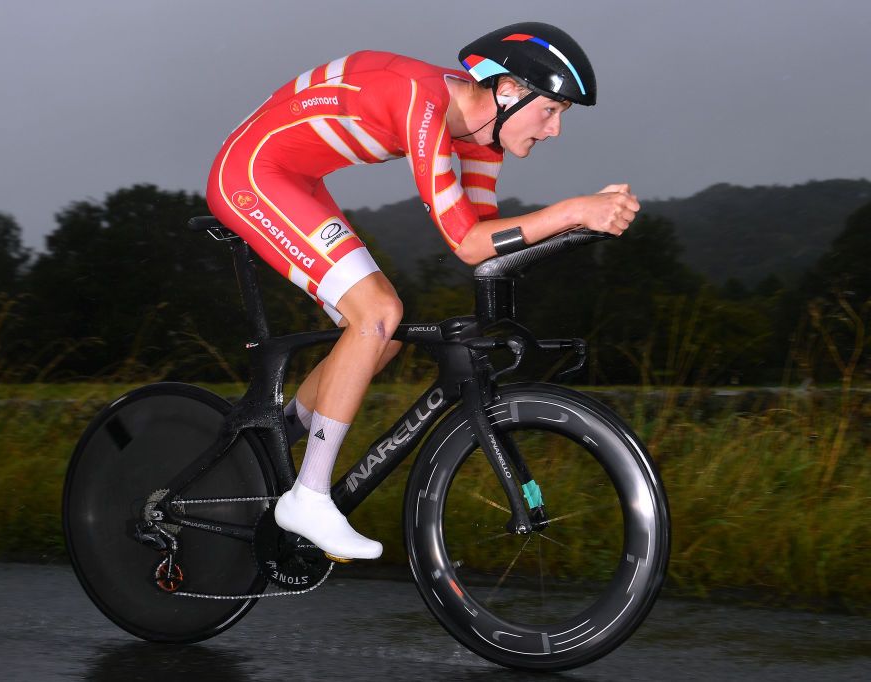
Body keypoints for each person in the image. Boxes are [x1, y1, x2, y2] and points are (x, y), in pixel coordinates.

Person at [206, 22, 639, 561]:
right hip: (250, 172)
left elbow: (488, 242)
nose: (554, 130)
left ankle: (272, 441)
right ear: (507, 91)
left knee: (378, 339)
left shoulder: (483, 138)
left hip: (298, 181)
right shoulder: (425, 105)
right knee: (378, 313)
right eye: (550, 111)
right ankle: (308, 497)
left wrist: (580, 227)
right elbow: (464, 243)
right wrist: (571, 211)